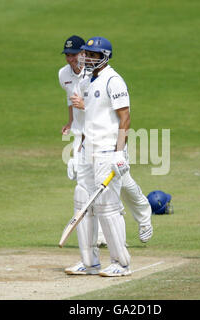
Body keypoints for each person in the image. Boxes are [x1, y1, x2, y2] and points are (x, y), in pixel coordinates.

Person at [58, 36, 153, 275]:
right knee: (83, 201)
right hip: (88, 149)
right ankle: (89, 262)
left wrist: (119, 153)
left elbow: (125, 118)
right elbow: (86, 119)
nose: (88, 59)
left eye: (93, 56)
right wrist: (77, 153)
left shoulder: (114, 80)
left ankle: (121, 263)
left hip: (108, 151)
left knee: (107, 207)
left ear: (105, 57)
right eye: (87, 55)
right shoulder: (87, 81)